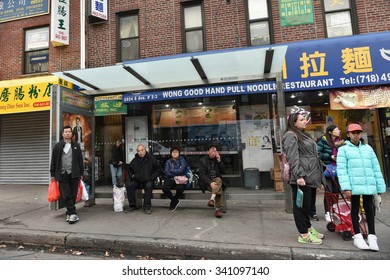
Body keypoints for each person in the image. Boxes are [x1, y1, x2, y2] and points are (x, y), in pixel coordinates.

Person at [337, 123, 386, 251]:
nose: (356, 135)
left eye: (358, 132)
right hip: (354, 185)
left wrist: (379, 187)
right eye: (353, 132)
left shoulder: (368, 148)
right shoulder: (343, 149)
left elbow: (376, 168)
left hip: (368, 184)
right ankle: (358, 236)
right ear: (348, 134)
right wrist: (346, 187)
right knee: (355, 209)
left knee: (369, 209)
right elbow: (342, 170)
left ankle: (372, 236)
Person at [282, 111, 325, 244]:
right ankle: (304, 234)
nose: (304, 121)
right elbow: (293, 157)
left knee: (308, 205)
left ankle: (308, 228)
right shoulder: (291, 135)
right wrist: (299, 175)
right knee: (301, 207)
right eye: (301, 119)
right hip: (302, 177)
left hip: (311, 176)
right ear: (293, 122)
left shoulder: (303, 134)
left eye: (304, 119)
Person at [50, 125, 84, 224]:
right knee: (66, 194)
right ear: (62, 134)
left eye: (69, 132)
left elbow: (80, 161)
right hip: (62, 174)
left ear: (71, 134)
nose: (67, 133)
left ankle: (69, 213)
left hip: (74, 174)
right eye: (66, 132)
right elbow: (54, 161)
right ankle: (73, 213)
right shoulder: (57, 146)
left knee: (73, 194)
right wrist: (52, 174)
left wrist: (81, 173)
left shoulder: (76, 146)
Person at [316, 124, 344, 222]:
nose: (339, 131)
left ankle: (335, 211)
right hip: (327, 169)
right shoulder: (323, 141)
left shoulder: (340, 142)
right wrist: (330, 156)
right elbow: (317, 154)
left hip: (338, 168)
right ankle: (327, 212)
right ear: (330, 132)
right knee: (329, 191)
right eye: (336, 130)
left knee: (336, 191)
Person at [125, 144, 162, 214]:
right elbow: (129, 170)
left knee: (148, 186)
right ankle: (132, 206)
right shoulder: (135, 160)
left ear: (145, 150)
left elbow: (158, 169)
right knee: (129, 185)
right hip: (137, 180)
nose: (140, 152)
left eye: (142, 150)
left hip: (148, 180)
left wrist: (151, 177)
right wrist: (132, 176)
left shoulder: (151, 159)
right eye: (138, 151)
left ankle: (147, 207)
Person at [197, 145, 226, 218]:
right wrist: (210, 183)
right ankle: (217, 210)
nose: (214, 152)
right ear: (208, 152)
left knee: (218, 180)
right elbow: (202, 175)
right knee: (219, 188)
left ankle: (212, 199)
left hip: (216, 181)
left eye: (215, 151)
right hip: (206, 182)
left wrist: (219, 160)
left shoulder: (217, 159)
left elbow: (223, 171)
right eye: (212, 151)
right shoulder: (202, 160)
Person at [162, 147, 189, 211]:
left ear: (179, 153)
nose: (174, 153)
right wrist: (175, 173)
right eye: (173, 152)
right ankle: (174, 200)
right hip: (170, 179)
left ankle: (173, 201)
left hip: (180, 179)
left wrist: (172, 170)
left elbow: (182, 170)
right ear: (171, 153)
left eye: (176, 152)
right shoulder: (168, 161)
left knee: (180, 188)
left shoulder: (182, 160)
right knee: (164, 188)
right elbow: (167, 172)